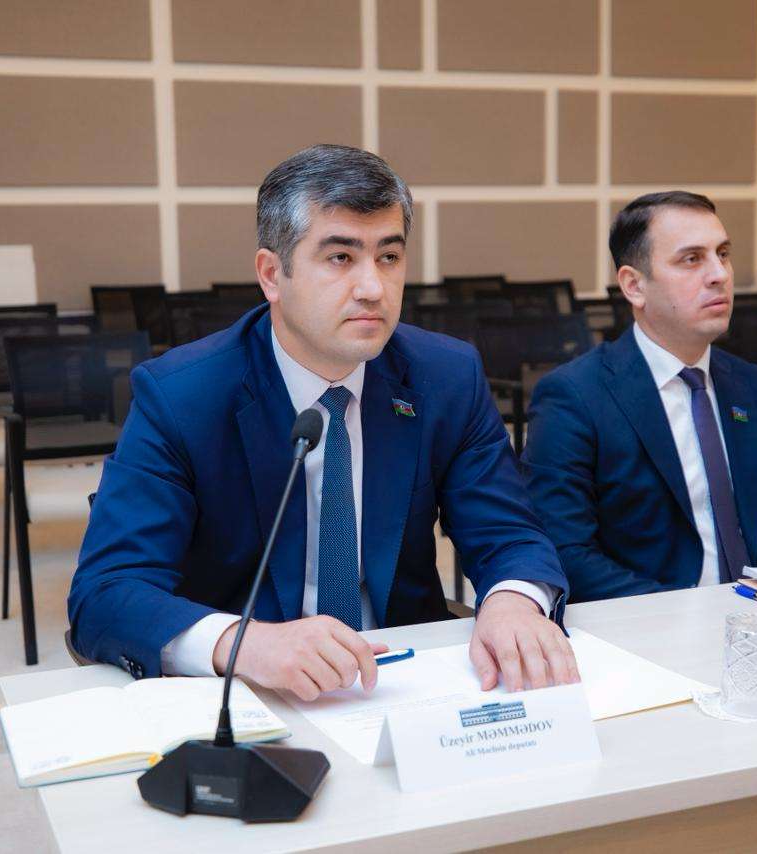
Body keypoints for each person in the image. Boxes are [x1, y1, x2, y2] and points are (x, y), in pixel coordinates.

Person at [69, 145, 578, 699]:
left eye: (389, 257)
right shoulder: (181, 395)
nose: (373, 288)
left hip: (404, 681)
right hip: (250, 693)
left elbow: (507, 532)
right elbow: (107, 590)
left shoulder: (445, 376)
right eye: (340, 258)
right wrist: (244, 644)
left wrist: (512, 601)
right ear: (272, 274)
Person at [521, 192, 757, 603]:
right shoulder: (575, 396)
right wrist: (696, 613)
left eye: (723, 254)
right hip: (643, 626)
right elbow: (567, 553)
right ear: (634, 285)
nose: (719, 274)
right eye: (691, 259)